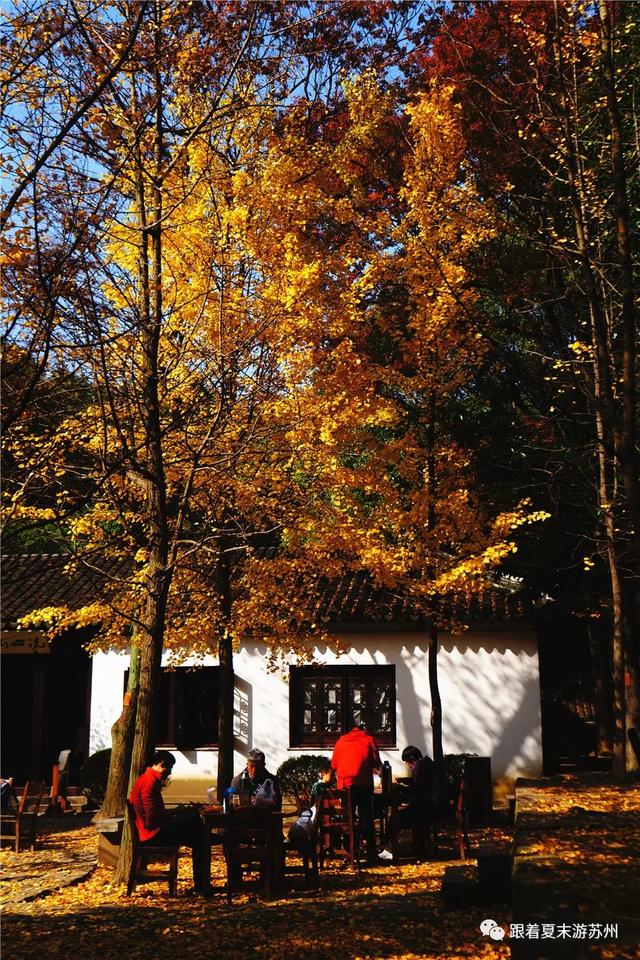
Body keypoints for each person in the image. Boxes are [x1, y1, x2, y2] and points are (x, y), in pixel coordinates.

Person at [129, 750, 208, 895]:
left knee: (197, 833)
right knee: (194, 822)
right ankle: (202, 886)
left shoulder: (147, 778)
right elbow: (152, 817)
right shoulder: (149, 782)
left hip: (153, 830)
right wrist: (177, 811)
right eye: (169, 768)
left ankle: (202, 886)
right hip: (152, 834)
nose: (169, 772)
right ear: (161, 764)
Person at [331, 719, 381, 865]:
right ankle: (371, 853)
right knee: (367, 818)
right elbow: (376, 762)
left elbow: (333, 765)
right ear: (362, 729)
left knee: (348, 819)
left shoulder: (341, 742)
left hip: (346, 786)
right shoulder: (368, 740)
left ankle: (349, 852)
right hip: (364, 785)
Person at [383, 745, 435, 860]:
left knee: (394, 818)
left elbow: (418, 790)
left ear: (412, 758)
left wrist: (402, 788)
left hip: (424, 809)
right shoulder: (427, 763)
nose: (407, 765)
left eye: (407, 762)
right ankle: (390, 846)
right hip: (431, 806)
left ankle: (389, 847)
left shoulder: (419, 767)